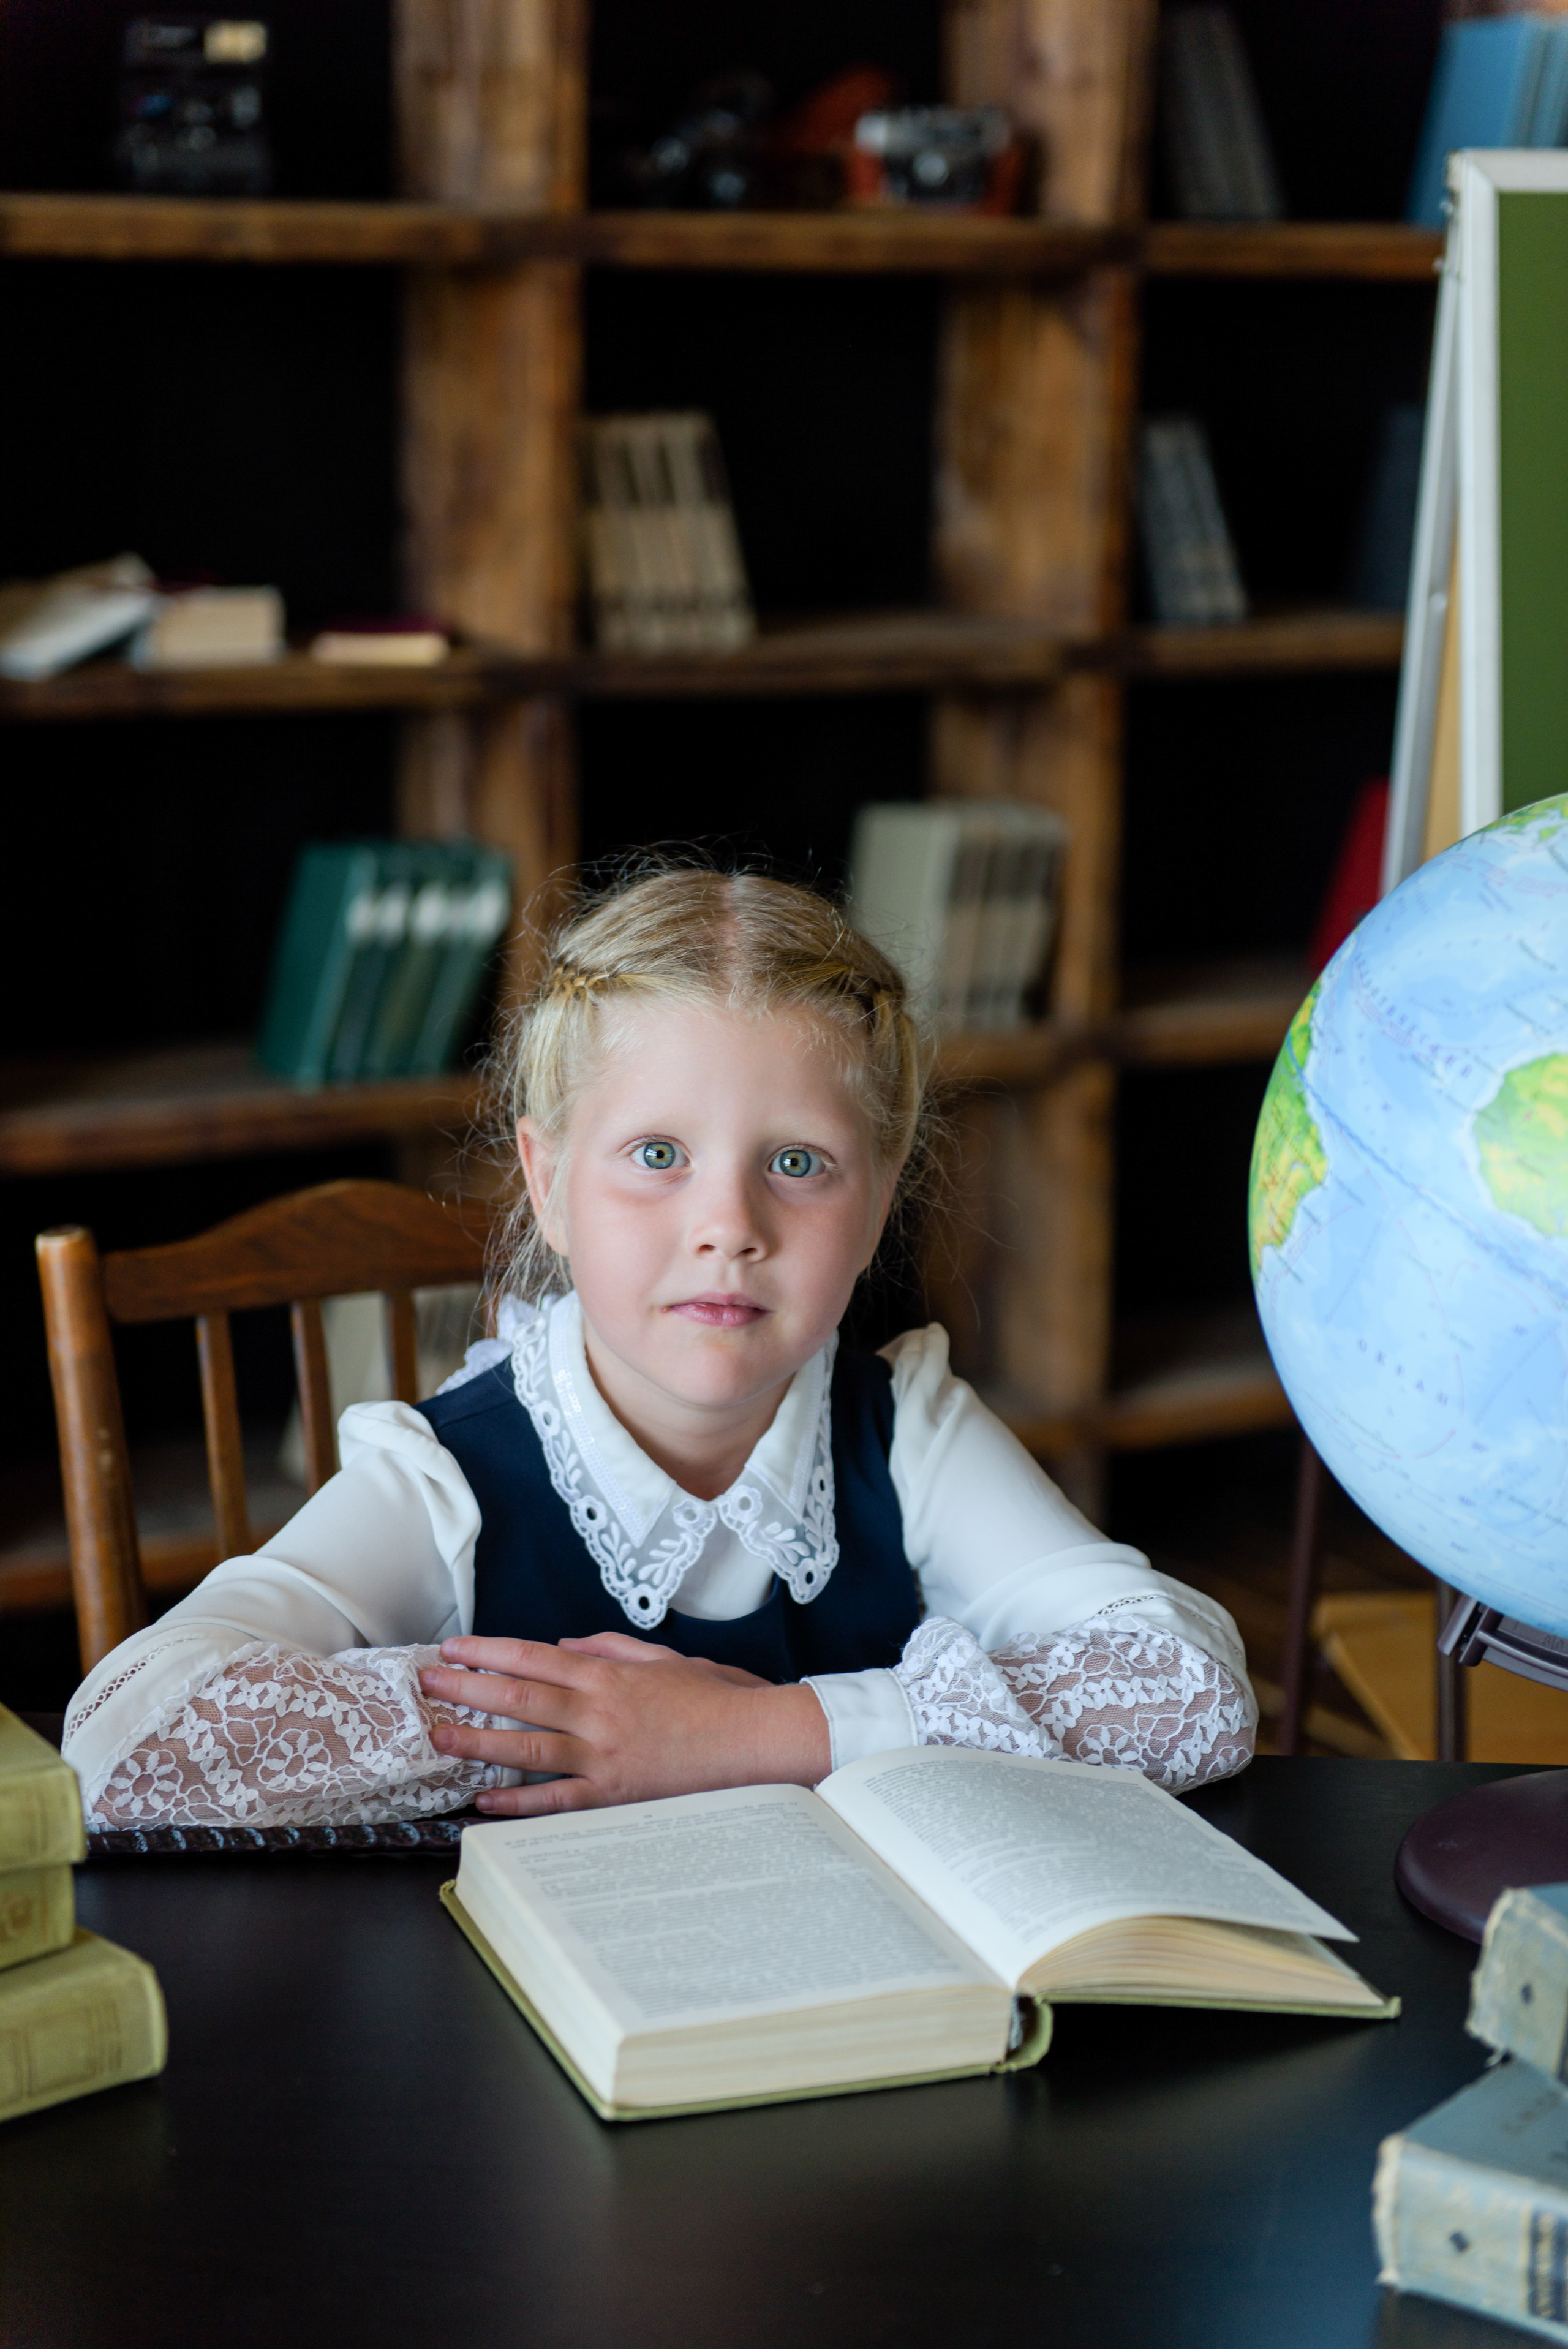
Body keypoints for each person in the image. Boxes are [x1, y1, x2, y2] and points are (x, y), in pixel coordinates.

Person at [63, 868, 1256, 1830]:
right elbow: (130, 1731)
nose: (727, 1226)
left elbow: (1191, 1690)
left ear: (881, 1199)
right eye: (654, 1156)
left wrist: (753, 1733)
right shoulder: (450, 1477)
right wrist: (577, 1726)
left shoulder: (907, 1430)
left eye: (796, 1163)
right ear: (545, 1182)